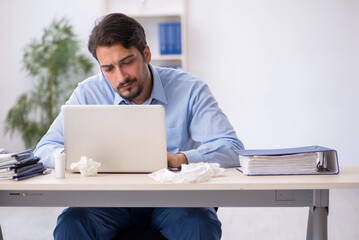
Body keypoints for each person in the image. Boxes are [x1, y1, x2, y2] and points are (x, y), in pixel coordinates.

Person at [34, 13, 244, 240]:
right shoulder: (87, 92)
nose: (120, 77)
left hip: (174, 200)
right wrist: (68, 155)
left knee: (200, 223)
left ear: (146, 54)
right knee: (71, 224)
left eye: (127, 63)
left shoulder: (190, 89)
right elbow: (45, 148)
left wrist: (180, 159)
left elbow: (231, 148)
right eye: (108, 69)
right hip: (108, 201)